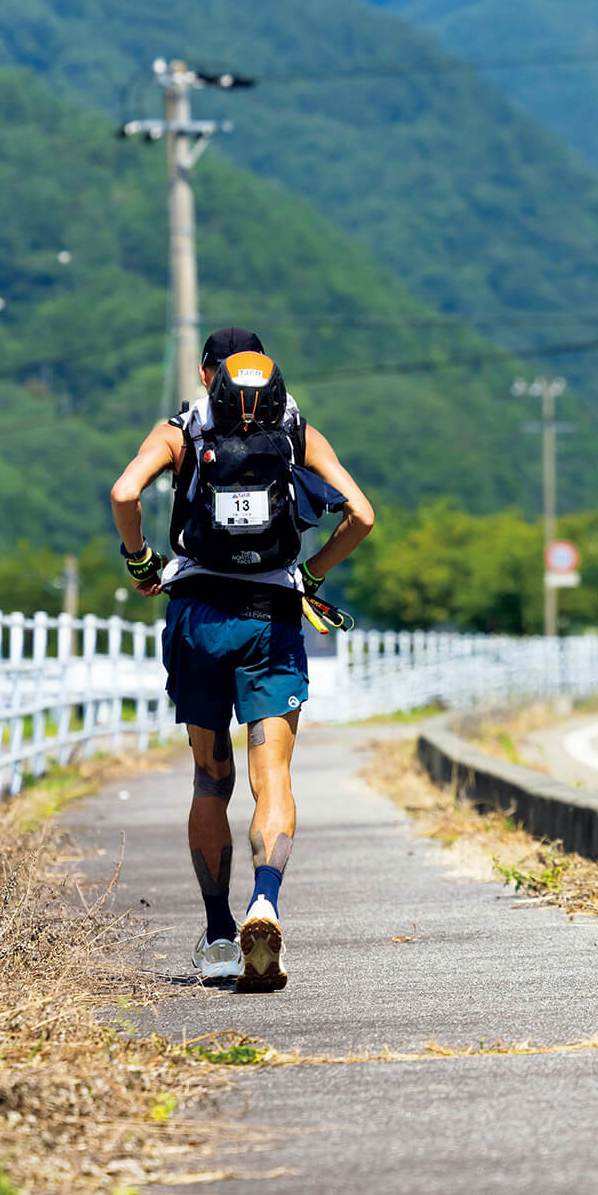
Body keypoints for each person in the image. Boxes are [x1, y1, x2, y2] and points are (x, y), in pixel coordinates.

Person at [109, 327, 374, 992]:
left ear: (207, 374)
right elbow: (362, 515)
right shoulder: (296, 432)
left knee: (209, 781)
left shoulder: (179, 431)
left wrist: (141, 560)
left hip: (198, 620)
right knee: (273, 776)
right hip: (270, 624)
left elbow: (123, 494)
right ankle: (266, 902)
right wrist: (312, 574)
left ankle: (221, 934)